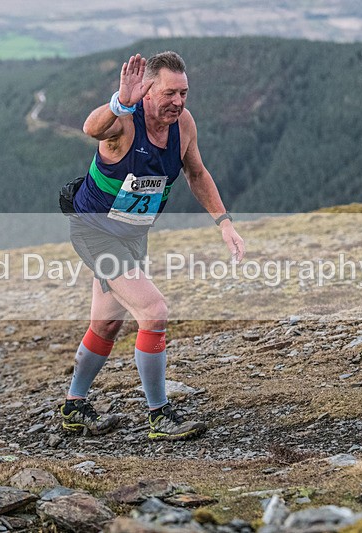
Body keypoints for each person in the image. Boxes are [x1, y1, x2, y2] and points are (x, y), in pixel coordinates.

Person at [60, 51, 245, 441]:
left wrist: (224, 222)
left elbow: (196, 173)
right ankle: (160, 415)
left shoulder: (184, 124)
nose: (178, 101)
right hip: (95, 230)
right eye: (169, 93)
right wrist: (119, 102)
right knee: (154, 310)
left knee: (107, 323)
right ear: (147, 91)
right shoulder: (125, 122)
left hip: (132, 234)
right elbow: (92, 128)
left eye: (184, 92)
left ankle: (74, 407)